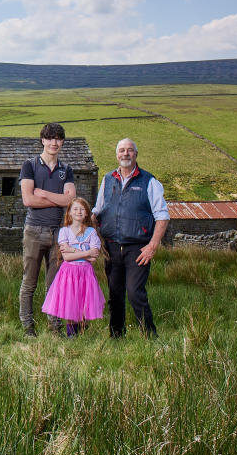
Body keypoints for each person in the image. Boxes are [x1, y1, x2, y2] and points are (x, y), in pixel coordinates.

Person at [92, 138, 169, 339]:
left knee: (135, 293)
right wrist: (86, 232)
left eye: (129, 150)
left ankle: (149, 336)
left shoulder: (149, 181)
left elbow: (162, 216)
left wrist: (152, 246)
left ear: (136, 154)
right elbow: (98, 210)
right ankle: (117, 336)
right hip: (111, 246)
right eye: (121, 150)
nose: (125, 154)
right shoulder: (108, 179)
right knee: (115, 295)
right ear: (116, 154)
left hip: (138, 248)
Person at [17, 123, 76, 337]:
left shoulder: (66, 169)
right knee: (29, 282)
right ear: (42, 140)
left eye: (58, 139)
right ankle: (28, 327)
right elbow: (28, 199)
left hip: (59, 233)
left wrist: (44, 194)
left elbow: (70, 201)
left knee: (54, 284)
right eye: (50, 138)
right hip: (34, 230)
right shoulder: (30, 165)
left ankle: (54, 327)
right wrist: (57, 199)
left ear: (62, 142)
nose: (54, 143)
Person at [41, 198, 105, 336]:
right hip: (69, 272)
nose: (78, 212)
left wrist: (73, 249)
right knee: (71, 304)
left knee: (83, 303)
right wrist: (86, 252)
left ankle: (81, 332)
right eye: (75, 209)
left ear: (87, 213)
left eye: (82, 209)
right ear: (69, 212)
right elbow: (67, 257)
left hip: (86, 272)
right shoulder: (64, 231)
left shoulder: (91, 232)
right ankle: (71, 335)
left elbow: (94, 258)